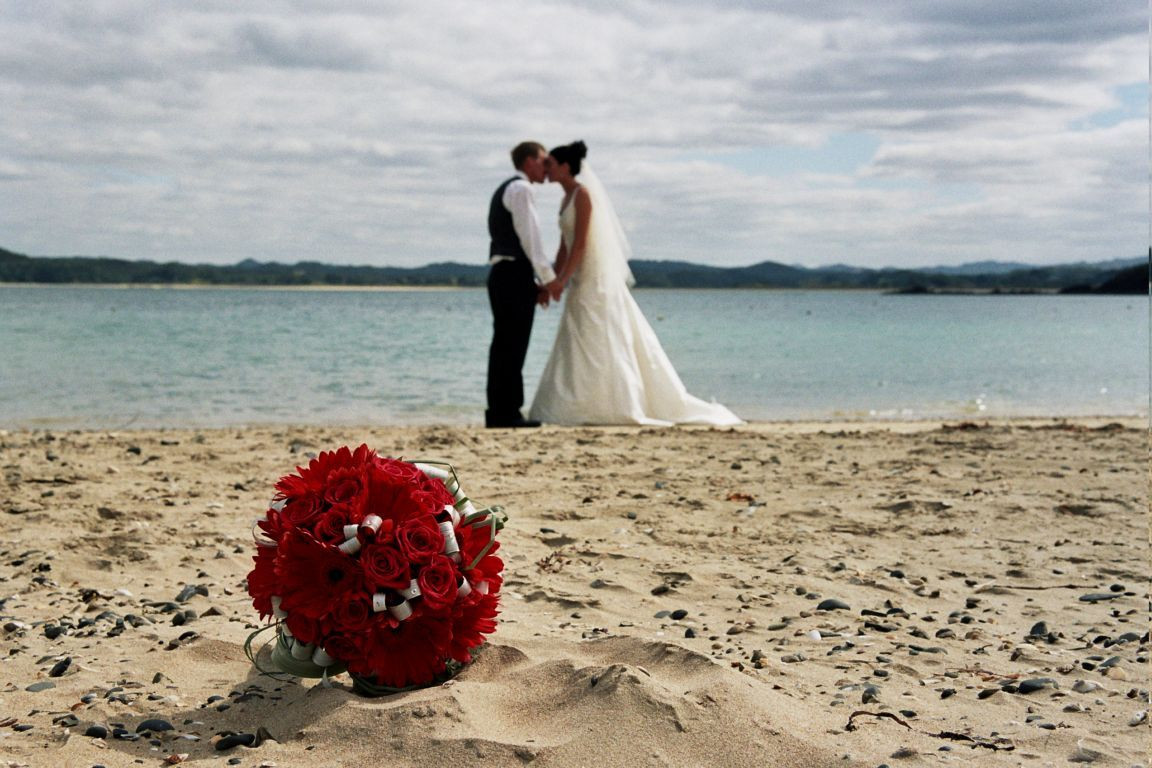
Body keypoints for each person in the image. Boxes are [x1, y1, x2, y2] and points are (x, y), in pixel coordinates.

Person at [528, 141, 742, 426]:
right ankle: (578, 402)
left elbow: (580, 245)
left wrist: (562, 281)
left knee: (601, 336)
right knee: (578, 339)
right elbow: (564, 247)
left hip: (594, 279)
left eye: (550, 165)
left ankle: (614, 403)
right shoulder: (565, 199)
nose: (546, 170)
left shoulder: (583, 195)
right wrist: (553, 280)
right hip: (577, 279)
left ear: (565, 167)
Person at [485, 141, 563, 429]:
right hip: (512, 275)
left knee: (505, 342)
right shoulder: (522, 189)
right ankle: (507, 412)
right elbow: (530, 239)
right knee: (512, 343)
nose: (546, 167)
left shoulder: (510, 188)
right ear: (529, 161)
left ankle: (500, 411)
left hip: (509, 274)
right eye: (543, 160)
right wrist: (550, 280)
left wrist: (535, 282)